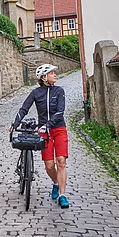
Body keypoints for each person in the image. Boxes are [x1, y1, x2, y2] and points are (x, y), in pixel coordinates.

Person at [12, 64, 70, 208]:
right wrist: (15, 124)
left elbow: (60, 111)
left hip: (59, 129)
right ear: (44, 77)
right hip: (44, 132)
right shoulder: (36, 93)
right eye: (52, 73)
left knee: (61, 161)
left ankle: (62, 195)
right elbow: (24, 108)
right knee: (49, 165)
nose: (55, 75)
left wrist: (48, 125)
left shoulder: (59, 91)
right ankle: (55, 183)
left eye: (54, 73)